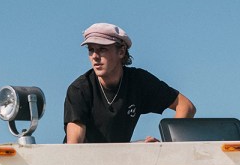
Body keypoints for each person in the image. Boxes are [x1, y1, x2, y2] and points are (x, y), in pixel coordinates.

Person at [63, 22, 196, 143]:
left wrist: (166, 150)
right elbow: (74, 148)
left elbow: (186, 107)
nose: (95, 56)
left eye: (102, 49)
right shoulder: (79, 89)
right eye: (91, 50)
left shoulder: (138, 81)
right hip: (84, 164)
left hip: (117, 161)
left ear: (121, 52)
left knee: (147, 148)